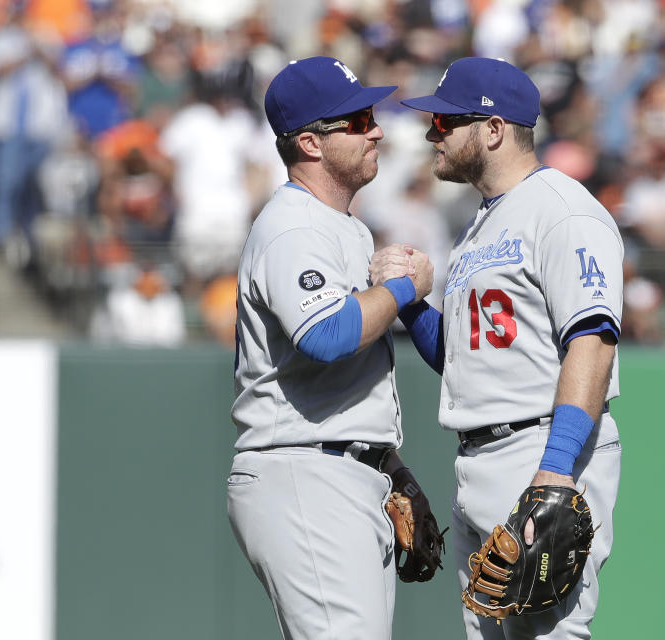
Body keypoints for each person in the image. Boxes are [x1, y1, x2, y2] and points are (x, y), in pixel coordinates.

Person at [374, 57, 625, 639]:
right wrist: (411, 304)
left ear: (492, 130)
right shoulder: (480, 227)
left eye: (445, 123)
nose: (431, 133)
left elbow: (593, 341)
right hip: (478, 455)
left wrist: (555, 472)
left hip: (542, 447)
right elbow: (459, 357)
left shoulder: (563, 211)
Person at [228, 56, 442, 640]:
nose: (376, 129)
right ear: (310, 143)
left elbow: (345, 383)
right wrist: (403, 290)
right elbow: (327, 336)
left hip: (341, 470)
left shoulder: (343, 225)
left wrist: (395, 472)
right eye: (357, 120)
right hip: (304, 472)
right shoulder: (294, 226)